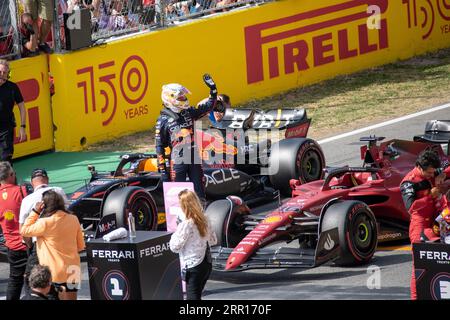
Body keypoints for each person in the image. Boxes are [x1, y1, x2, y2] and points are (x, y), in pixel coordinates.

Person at [155, 74, 220, 200]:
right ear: (170, 99)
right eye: (181, 97)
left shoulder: (188, 112)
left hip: (194, 158)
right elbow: (159, 148)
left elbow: (208, 107)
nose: (184, 98)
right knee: (178, 196)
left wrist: (213, 90)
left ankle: (201, 216)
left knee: (200, 193)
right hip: (178, 161)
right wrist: (163, 171)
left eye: (183, 96)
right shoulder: (162, 120)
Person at [400, 150, 449, 300]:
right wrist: (430, 196)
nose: (431, 175)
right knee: (420, 267)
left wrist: (444, 175)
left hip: (440, 221)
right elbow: (411, 207)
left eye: (434, 172)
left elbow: (445, 169)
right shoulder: (408, 182)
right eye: (429, 173)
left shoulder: (434, 170)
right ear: (419, 167)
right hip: (420, 226)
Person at [20, 190, 85, 300]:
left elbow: (24, 230)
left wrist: (35, 212)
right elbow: (81, 246)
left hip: (54, 272)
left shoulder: (45, 222)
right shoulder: (74, 219)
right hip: (74, 268)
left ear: (44, 205)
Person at [19, 168, 69, 294]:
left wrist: (30, 247)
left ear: (32, 182)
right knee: (67, 289)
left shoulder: (30, 203)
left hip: (41, 247)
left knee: (34, 282)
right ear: (47, 180)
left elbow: (23, 230)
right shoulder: (60, 191)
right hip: (66, 249)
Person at [169, 189, 217, 300]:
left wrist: (176, 232)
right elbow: (213, 240)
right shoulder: (206, 219)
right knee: (197, 295)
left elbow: (174, 247)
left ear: (183, 206)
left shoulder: (186, 224)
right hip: (206, 263)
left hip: (193, 266)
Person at [0, 161, 28, 299]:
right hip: (28, 244)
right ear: (11, 175)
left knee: (15, 280)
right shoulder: (21, 190)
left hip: (12, 247)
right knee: (35, 280)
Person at [0, 59, 27, 164]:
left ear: (8, 74)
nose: (2, 75)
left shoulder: (12, 87)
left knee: (6, 161)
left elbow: (22, 107)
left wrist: (23, 127)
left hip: (6, 129)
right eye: (0, 72)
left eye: (4, 73)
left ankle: (8, 180)